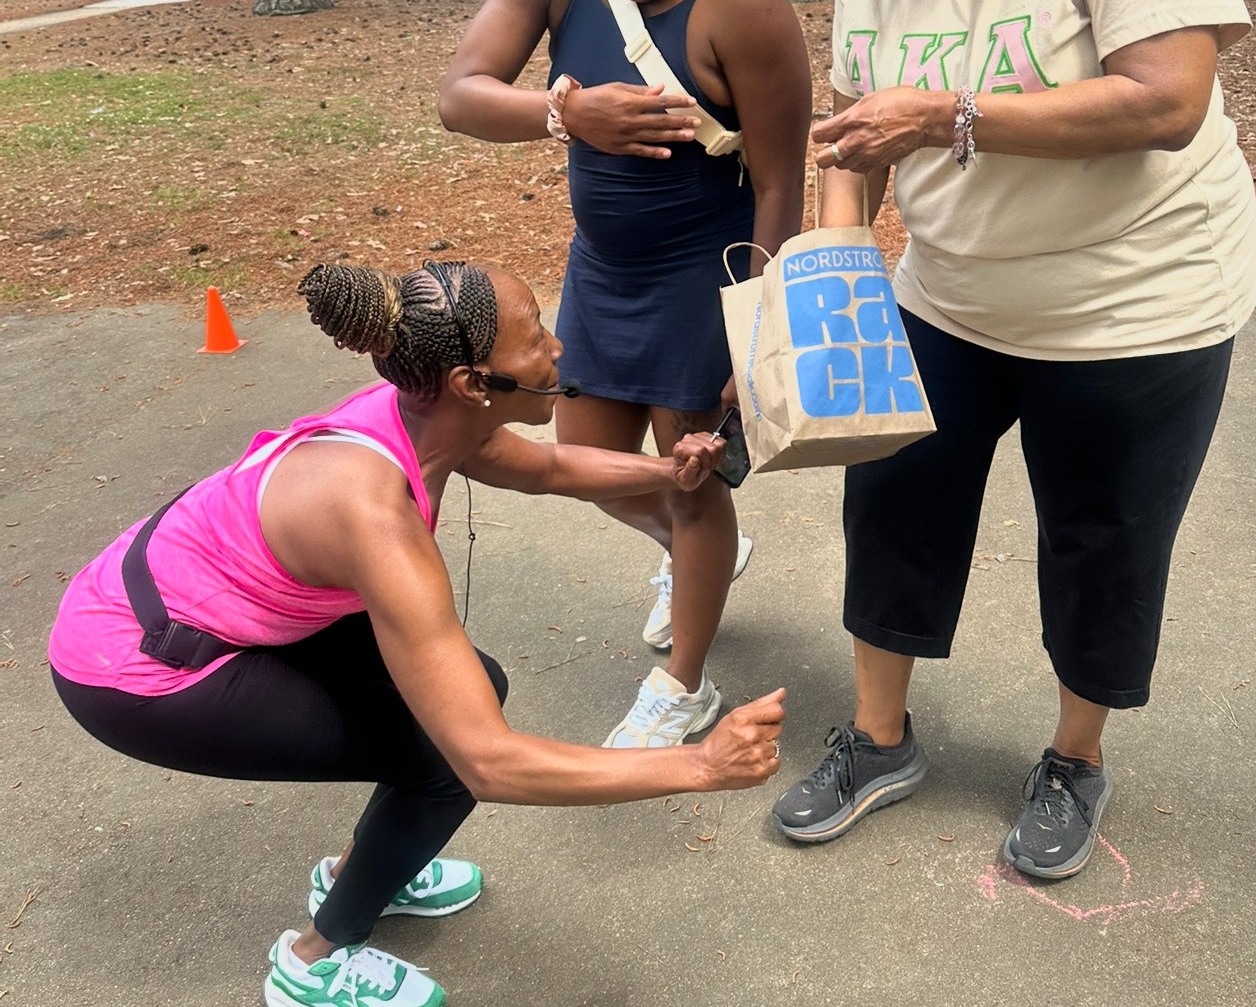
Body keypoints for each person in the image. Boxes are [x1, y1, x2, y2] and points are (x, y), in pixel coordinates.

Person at [766, 0, 1256, 879]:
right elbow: (858, 135)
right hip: (951, 291)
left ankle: (1076, 757)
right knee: (891, 507)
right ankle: (878, 738)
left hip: (1138, 298)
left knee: (1104, 536)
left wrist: (951, 114)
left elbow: (1165, 96)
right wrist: (837, 271)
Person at [48, 259, 786, 1007]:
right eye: (535, 336)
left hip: (183, 605)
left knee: (477, 688)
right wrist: (699, 765)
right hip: (138, 669)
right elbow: (490, 767)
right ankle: (313, 961)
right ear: (474, 381)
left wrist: (668, 474)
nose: (558, 348)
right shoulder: (376, 519)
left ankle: (363, 869)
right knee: (443, 762)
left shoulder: (423, 411)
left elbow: (549, 468)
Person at [439, 0, 812, 749]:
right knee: (594, 465)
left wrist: (756, 325)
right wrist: (566, 114)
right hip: (603, 268)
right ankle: (700, 559)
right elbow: (462, 97)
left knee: (693, 482)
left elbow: (779, 184)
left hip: (704, 271)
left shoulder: (746, 2)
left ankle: (684, 685)